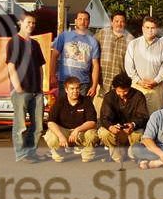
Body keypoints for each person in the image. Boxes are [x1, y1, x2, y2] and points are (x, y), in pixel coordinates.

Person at [6, 11, 47, 163]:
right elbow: (11, 66)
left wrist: (41, 87)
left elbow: (40, 67)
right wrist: (18, 87)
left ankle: (31, 152)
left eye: (33, 23)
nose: (31, 25)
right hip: (21, 90)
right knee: (20, 125)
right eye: (28, 22)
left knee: (38, 126)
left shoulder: (35, 44)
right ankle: (22, 154)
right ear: (20, 23)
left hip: (36, 91)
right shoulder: (14, 42)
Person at [98, 72, 150, 163]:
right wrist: (111, 127)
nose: (122, 94)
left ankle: (133, 153)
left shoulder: (138, 95)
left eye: (125, 91)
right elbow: (104, 117)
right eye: (119, 92)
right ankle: (116, 152)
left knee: (138, 135)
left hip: (132, 130)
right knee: (103, 133)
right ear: (114, 88)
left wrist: (133, 124)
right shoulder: (109, 96)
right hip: (115, 130)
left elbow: (143, 116)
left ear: (130, 87)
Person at [44, 76, 99, 163]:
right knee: (51, 137)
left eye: (77, 88)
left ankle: (86, 151)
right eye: (72, 89)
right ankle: (59, 151)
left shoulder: (86, 101)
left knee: (91, 134)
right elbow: (51, 122)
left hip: (80, 132)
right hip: (64, 131)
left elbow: (92, 122)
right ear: (66, 90)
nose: (75, 91)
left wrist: (77, 130)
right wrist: (60, 136)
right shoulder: (59, 101)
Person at [124, 15, 163, 115]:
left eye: (153, 28)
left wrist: (155, 81)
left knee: (155, 117)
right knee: (137, 116)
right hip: (137, 87)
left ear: (156, 29)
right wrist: (139, 81)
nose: (150, 30)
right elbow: (129, 66)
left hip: (156, 89)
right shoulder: (133, 44)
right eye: (147, 27)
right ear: (142, 28)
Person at [51, 9, 100, 97]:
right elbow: (54, 56)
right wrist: (52, 75)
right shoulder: (64, 36)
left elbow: (95, 65)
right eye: (80, 19)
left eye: (85, 19)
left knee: (81, 106)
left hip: (82, 83)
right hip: (64, 81)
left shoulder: (93, 41)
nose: (82, 22)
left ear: (88, 22)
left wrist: (94, 86)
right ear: (75, 21)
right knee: (63, 105)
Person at [95, 10, 133, 111]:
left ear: (125, 23)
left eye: (122, 21)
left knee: (115, 113)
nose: (119, 24)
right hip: (101, 82)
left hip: (119, 85)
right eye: (116, 21)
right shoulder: (102, 34)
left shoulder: (131, 39)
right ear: (112, 22)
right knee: (98, 112)